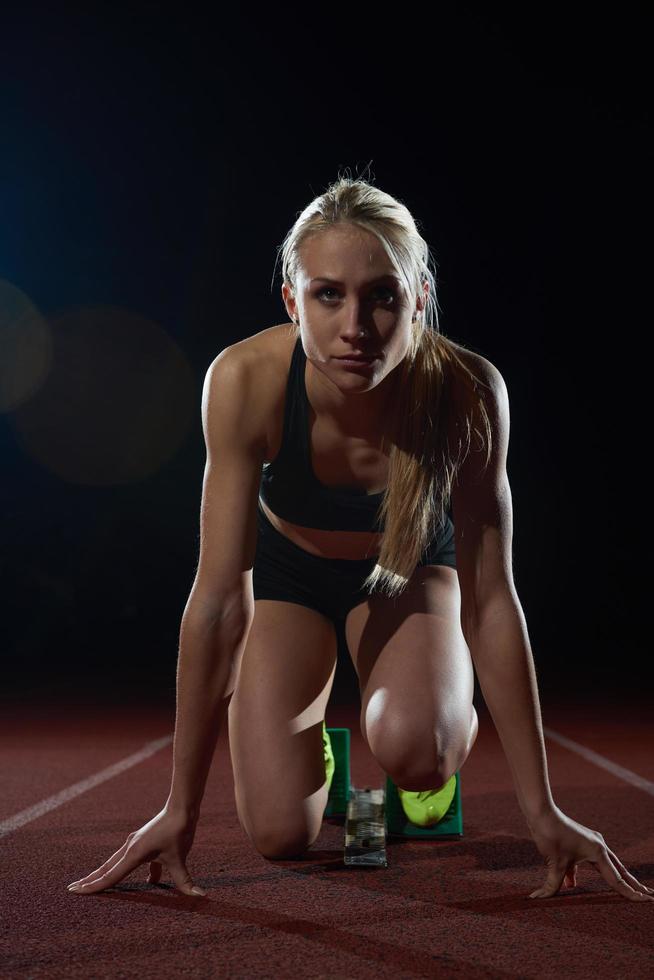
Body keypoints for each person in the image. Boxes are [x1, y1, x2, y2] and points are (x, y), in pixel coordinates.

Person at [67, 176, 653, 903]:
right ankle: (327, 766)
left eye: (382, 295)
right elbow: (219, 599)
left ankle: (420, 769)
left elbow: (494, 603)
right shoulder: (245, 380)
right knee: (279, 836)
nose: (356, 326)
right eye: (328, 294)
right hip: (290, 581)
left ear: (419, 296)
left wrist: (544, 811)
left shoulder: (468, 392)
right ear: (292, 299)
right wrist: (179, 809)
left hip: (409, 575)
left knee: (419, 749)